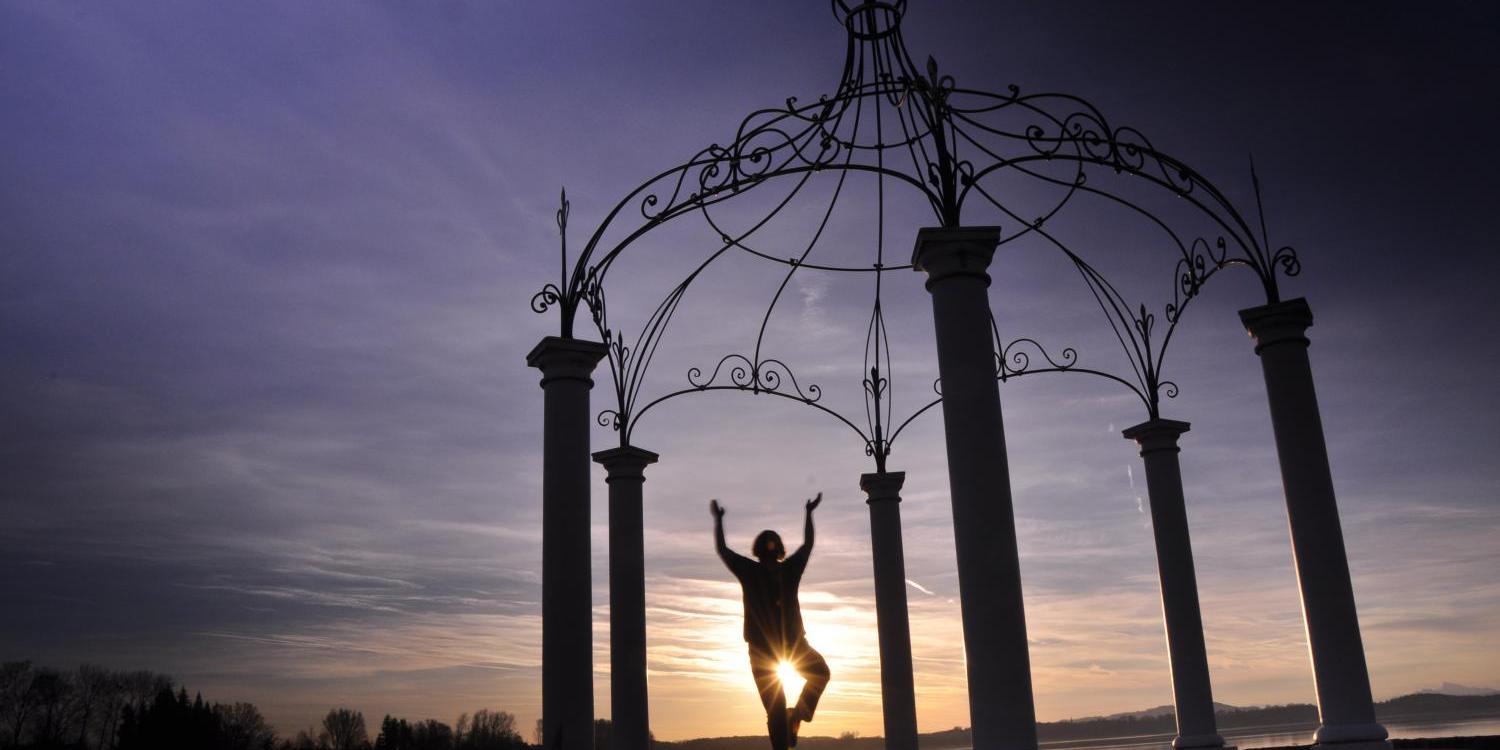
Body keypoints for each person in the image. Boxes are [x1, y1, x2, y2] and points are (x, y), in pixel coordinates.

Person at [711, 493, 831, 750]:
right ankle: (790, 721)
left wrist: (809, 514)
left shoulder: (780, 570)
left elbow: (723, 550)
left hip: (789, 647)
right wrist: (808, 514)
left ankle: (795, 716)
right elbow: (807, 545)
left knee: (818, 676)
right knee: (777, 712)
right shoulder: (759, 571)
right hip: (766, 651)